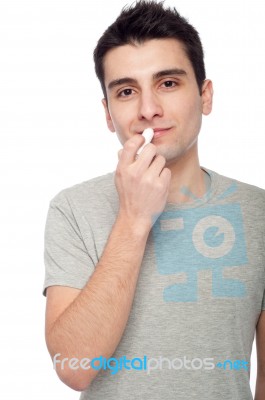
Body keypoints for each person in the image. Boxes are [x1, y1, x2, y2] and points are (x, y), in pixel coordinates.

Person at [43, 1, 265, 398]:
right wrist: (133, 218)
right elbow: (74, 367)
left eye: (168, 83)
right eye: (127, 91)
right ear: (109, 114)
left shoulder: (258, 213)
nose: (149, 109)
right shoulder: (72, 209)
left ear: (205, 95)